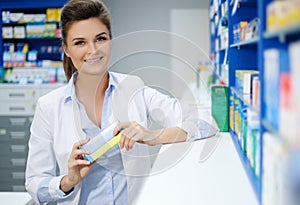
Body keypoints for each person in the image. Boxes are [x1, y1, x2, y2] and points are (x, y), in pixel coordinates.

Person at [25, 0, 214, 204]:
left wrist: (153, 136)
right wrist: (68, 181)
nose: (93, 50)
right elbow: (35, 183)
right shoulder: (49, 106)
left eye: (100, 38)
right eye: (80, 42)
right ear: (67, 49)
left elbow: (205, 122)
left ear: (111, 40)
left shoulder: (133, 88)